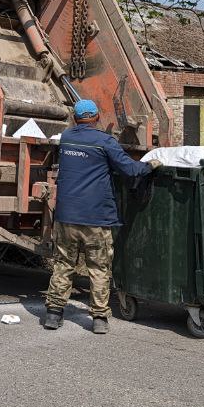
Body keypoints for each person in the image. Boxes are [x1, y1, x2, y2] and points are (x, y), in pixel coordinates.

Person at [44, 99, 158, 335]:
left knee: (64, 264)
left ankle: (54, 314)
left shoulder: (67, 138)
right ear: (96, 118)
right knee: (98, 267)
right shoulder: (105, 141)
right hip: (96, 218)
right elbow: (130, 170)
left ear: (75, 118)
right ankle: (98, 318)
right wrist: (151, 165)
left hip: (66, 216)